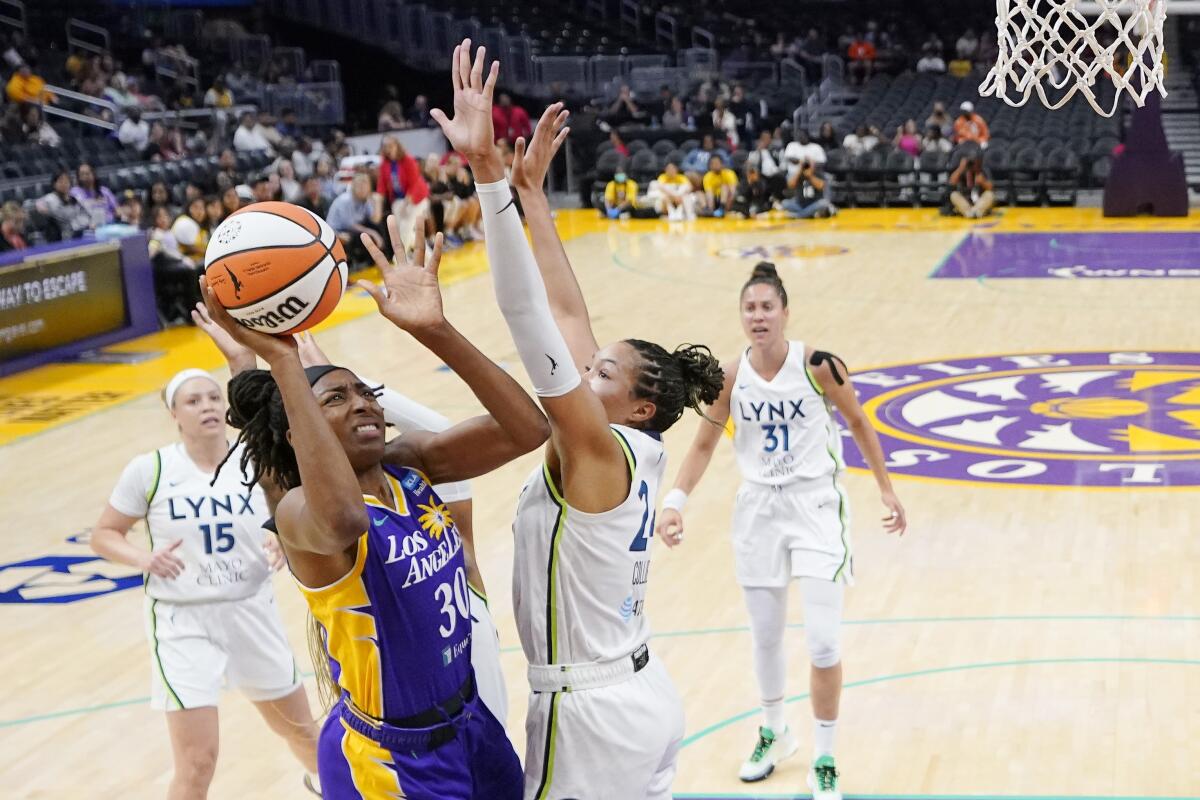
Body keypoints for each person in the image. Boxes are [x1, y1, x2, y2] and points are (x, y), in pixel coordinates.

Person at [434, 44, 724, 798]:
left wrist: (489, 177)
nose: (584, 366)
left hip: (590, 714)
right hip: (638, 695)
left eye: (601, 371)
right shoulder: (630, 444)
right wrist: (533, 199)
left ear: (638, 405)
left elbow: (527, 312)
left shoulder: (595, 450)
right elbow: (566, 312)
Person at [196, 211, 545, 799]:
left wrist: (436, 331)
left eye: (367, 393)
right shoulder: (300, 516)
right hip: (390, 761)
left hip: (471, 726)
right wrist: (280, 362)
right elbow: (346, 521)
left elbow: (526, 430)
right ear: (300, 430)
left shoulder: (408, 467)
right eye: (336, 397)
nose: (364, 404)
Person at [656, 261, 908, 800]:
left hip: (815, 507)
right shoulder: (728, 376)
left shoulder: (818, 365)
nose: (758, 316)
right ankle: (775, 732)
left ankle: (825, 755)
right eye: (750, 308)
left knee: (821, 642)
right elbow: (702, 444)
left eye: (767, 306)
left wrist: (885, 489)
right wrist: (675, 501)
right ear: (741, 316)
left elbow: (861, 423)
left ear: (786, 312)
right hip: (758, 513)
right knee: (766, 636)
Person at [90, 366, 322, 799]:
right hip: (185, 623)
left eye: (214, 398)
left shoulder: (255, 460)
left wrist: (281, 537)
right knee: (198, 762)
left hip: (251, 612)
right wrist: (144, 557)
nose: (207, 407)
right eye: (193, 401)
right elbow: (103, 535)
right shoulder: (151, 469)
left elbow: (296, 509)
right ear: (174, 414)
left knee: (305, 735)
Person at [376, 136, 431, 251]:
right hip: (398, 200)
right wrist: (377, 207)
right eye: (385, 146)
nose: (388, 149)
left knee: (406, 226)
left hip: (416, 198)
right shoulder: (384, 164)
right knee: (403, 231)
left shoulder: (408, 160)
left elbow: (414, 184)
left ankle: (400, 260)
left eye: (390, 146)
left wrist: (407, 204)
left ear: (397, 146)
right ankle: (427, 255)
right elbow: (381, 187)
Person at [327, 172, 385, 266]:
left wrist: (377, 202)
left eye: (365, 185)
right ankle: (364, 265)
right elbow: (350, 225)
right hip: (337, 232)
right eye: (359, 186)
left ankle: (381, 260)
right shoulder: (345, 200)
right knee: (364, 235)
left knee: (377, 227)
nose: (362, 189)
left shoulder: (365, 200)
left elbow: (375, 220)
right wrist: (374, 234)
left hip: (355, 229)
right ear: (353, 186)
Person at [35, 171, 92, 240]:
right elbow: (39, 203)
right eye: (60, 181)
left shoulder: (74, 198)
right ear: (54, 184)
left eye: (66, 181)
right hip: (63, 235)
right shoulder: (51, 198)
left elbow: (85, 214)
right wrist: (41, 207)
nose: (64, 184)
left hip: (80, 231)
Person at [70, 162, 119, 227]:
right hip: (88, 227)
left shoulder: (104, 191)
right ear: (78, 177)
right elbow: (74, 214)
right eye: (82, 174)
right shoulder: (74, 192)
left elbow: (117, 209)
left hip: (110, 225)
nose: (85, 176)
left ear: (94, 174)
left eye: (87, 173)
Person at [172, 196, 210, 265]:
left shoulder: (203, 227)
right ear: (189, 208)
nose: (199, 211)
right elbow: (191, 247)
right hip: (185, 263)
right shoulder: (184, 221)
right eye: (195, 207)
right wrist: (210, 253)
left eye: (202, 208)